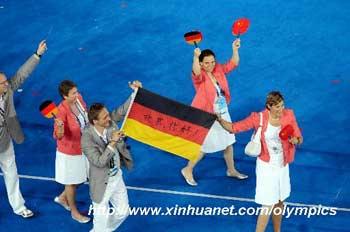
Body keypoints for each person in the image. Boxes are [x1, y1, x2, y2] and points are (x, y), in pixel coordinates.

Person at [217, 91, 303, 232]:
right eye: (278, 107)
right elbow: (234, 128)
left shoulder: (289, 115)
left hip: (282, 165)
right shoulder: (259, 118)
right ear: (269, 106)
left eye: (282, 105)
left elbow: (299, 138)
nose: (281, 109)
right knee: (268, 204)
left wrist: (295, 140)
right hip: (266, 167)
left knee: (280, 201)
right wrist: (220, 120)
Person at [181, 38, 247, 186]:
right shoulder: (199, 76)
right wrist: (195, 57)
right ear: (201, 63)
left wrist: (235, 49)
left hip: (222, 111)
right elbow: (196, 71)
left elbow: (233, 63)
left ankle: (231, 170)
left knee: (229, 142)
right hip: (207, 114)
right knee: (204, 146)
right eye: (206, 63)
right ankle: (188, 169)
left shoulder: (218, 69)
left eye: (212, 62)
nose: (210, 65)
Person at [82, 81, 141, 232]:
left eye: (108, 115)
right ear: (95, 121)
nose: (109, 119)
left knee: (123, 212)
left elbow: (122, 110)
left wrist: (135, 93)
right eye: (105, 118)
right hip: (101, 183)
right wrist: (113, 142)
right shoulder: (87, 139)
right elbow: (99, 162)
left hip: (116, 178)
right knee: (100, 222)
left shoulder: (109, 123)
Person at [0, 40, 47, 218]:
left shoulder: (8, 90)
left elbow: (21, 74)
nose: (7, 84)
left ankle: (19, 207)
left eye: (6, 82)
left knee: (11, 173)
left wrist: (37, 54)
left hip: (5, 141)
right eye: (3, 83)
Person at [53, 80, 90, 223]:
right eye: (73, 93)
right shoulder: (61, 111)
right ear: (65, 96)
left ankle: (63, 197)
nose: (77, 94)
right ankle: (74, 212)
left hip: (83, 146)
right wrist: (60, 127)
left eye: (76, 91)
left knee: (83, 176)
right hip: (69, 153)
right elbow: (58, 135)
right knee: (72, 182)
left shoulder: (79, 99)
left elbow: (85, 118)